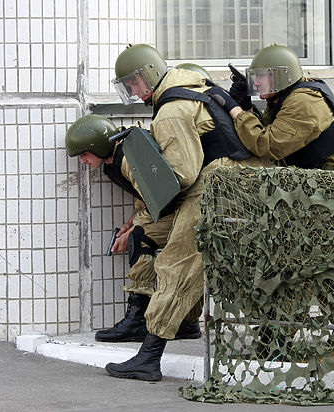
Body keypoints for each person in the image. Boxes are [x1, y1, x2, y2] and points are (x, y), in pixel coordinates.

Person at [104, 44, 270, 381]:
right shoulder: (197, 88)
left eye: (134, 82)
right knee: (162, 238)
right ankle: (186, 326)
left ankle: (149, 357)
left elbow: (181, 174)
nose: (133, 91)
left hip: (220, 184)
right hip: (243, 181)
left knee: (176, 263)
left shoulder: (171, 110)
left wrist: (137, 170)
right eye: (127, 85)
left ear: (149, 74)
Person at [65, 114, 202, 342]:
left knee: (139, 238)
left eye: (85, 154)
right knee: (136, 231)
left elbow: (161, 199)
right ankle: (186, 322)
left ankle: (138, 320)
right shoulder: (117, 159)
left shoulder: (128, 158)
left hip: (184, 208)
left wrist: (133, 229)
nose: (83, 161)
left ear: (99, 146)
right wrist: (130, 221)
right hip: (178, 208)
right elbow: (144, 194)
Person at [215, 44, 334, 171]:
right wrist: (246, 108)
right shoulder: (283, 96)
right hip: (311, 173)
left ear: (282, 76)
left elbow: (267, 146)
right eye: (255, 76)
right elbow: (267, 129)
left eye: (261, 76)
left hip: (333, 182)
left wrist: (234, 109)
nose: (256, 83)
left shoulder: (304, 101)